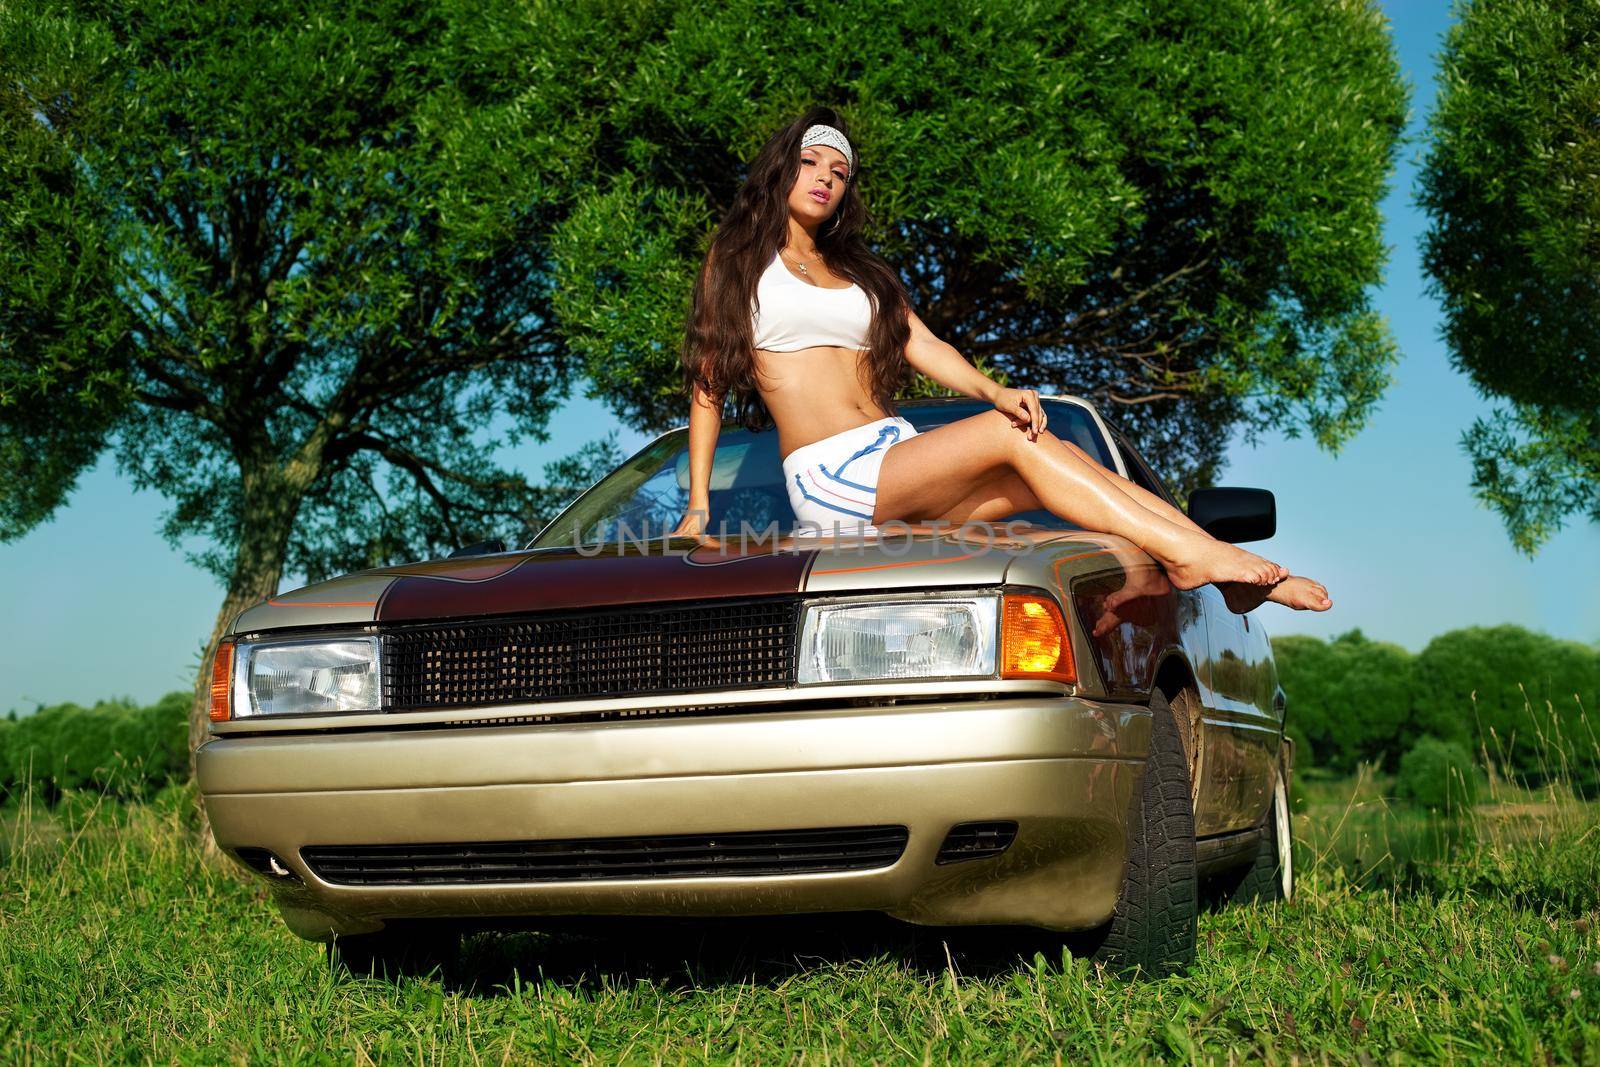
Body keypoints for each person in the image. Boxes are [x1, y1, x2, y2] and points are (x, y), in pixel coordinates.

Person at [672, 106, 1330, 611]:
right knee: (1009, 436)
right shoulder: (736, 261)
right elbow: (708, 382)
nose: (825, 180)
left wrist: (993, 390)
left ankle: (1217, 566)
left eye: (839, 173)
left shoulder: (859, 272)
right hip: (833, 477)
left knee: (1065, 464)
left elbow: (923, 344)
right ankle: (1196, 558)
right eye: (812, 163)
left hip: (893, 454)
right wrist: (699, 504)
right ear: (782, 167)